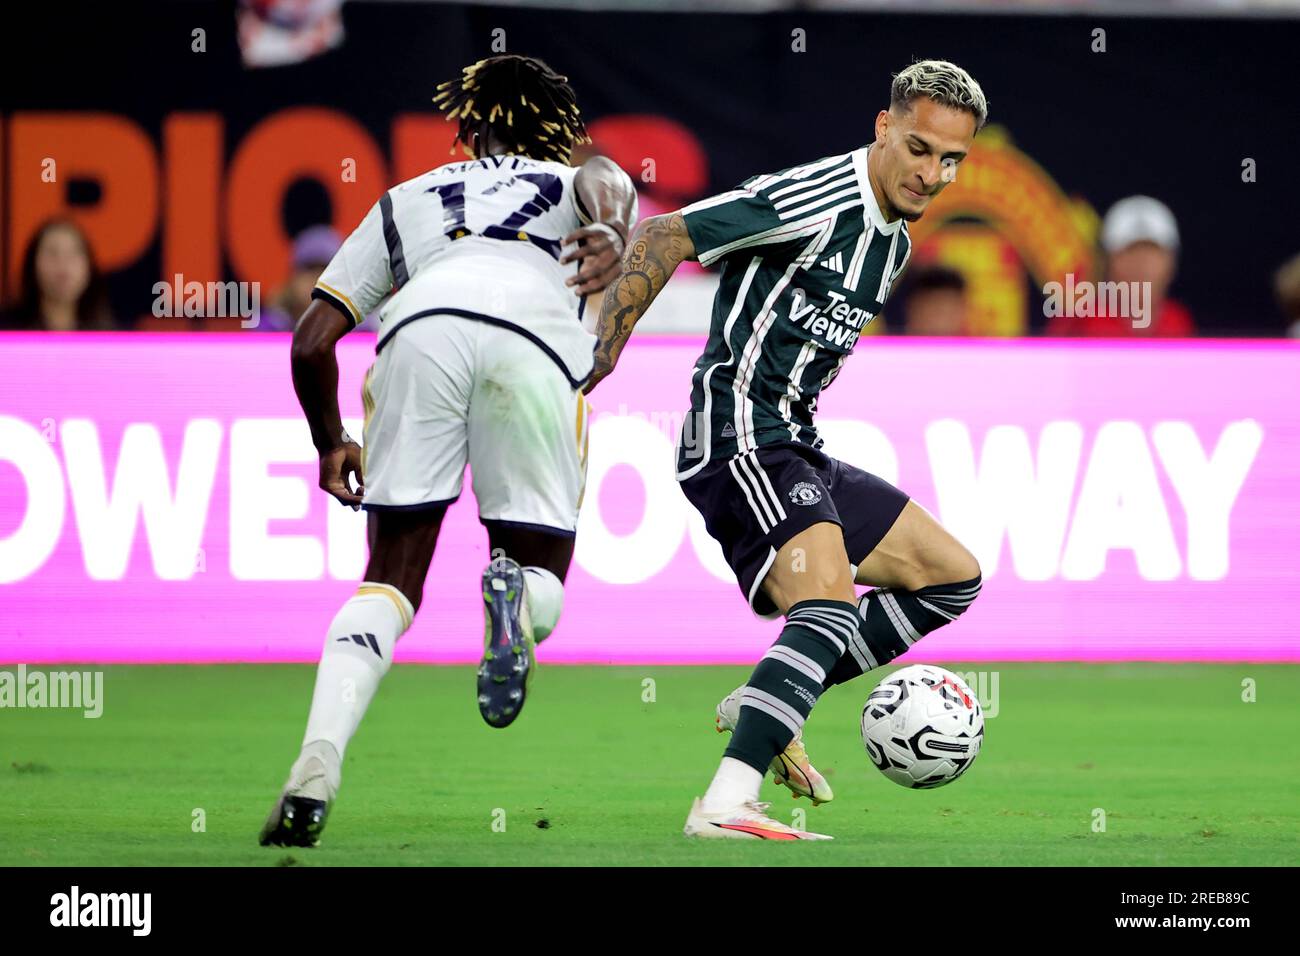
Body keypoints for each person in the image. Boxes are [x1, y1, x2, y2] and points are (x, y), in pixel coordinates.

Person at [588, 60, 986, 840]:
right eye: (918, 148)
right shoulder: (813, 197)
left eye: (951, 160)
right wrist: (598, 355)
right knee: (828, 605)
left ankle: (771, 704)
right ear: (883, 127)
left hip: (795, 445)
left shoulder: (894, 244)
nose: (931, 173)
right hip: (735, 436)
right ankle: (724, 804)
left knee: (950, 578)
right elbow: (664, 233)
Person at [261, 54, 637, 848]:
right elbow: (608, 178)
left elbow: (310, 341)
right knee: (543, 578)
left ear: (468, 128)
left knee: (390, 579)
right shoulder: (577, 183)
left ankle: (315, 765)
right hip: (533, 342)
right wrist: (606, 230)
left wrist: (332, 442)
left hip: (418, 330)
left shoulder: (408, 197)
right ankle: (511, 593)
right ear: (560, 130)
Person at [1047, 195, 1193, 337]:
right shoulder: (1077, 321)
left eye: (1152, 252)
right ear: (1106, 262)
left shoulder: (1179, 322)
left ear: (1172, 262)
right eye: (1129, 252)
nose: (1141, 264)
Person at [2, 219, 113, 331]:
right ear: (32, 264)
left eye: (74, 253)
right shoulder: (7, 328)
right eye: (52, 253)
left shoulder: (107, 334)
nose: (63, 263)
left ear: (89, 267)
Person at [256, 226, 344, 331]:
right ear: (293, 278)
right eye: (310, 269)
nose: (318, 279)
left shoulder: (361, 330)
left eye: (326, 270)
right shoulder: (270, 327)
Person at [899, 264, 969, 335]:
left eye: (949, 313)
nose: (941, 321)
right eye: (937, 311)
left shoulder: (974, 344)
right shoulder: (892, 344)